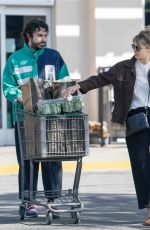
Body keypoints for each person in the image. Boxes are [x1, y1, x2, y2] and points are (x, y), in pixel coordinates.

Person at [64, 28, 150, 226]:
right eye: (133, 46)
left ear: (148, 49)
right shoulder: (124, 67)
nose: (134, 50)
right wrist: (79, 86)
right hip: (136, 120)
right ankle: (149, 211)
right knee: (141, 166)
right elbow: (101, 79)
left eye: (138, 47)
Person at [3, 18, 69, 218]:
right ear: (28, 36)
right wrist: (20, 98)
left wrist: (64, 92)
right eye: (39, 35)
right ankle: (29, 201)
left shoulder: (54, 56)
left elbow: (65, 80)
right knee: (27, 160)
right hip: (25, 119)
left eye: (45, 35)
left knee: (52, 159)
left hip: (51, 119)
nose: (43, 39)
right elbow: (7, 86)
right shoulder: (15, 59)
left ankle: (53, 199)